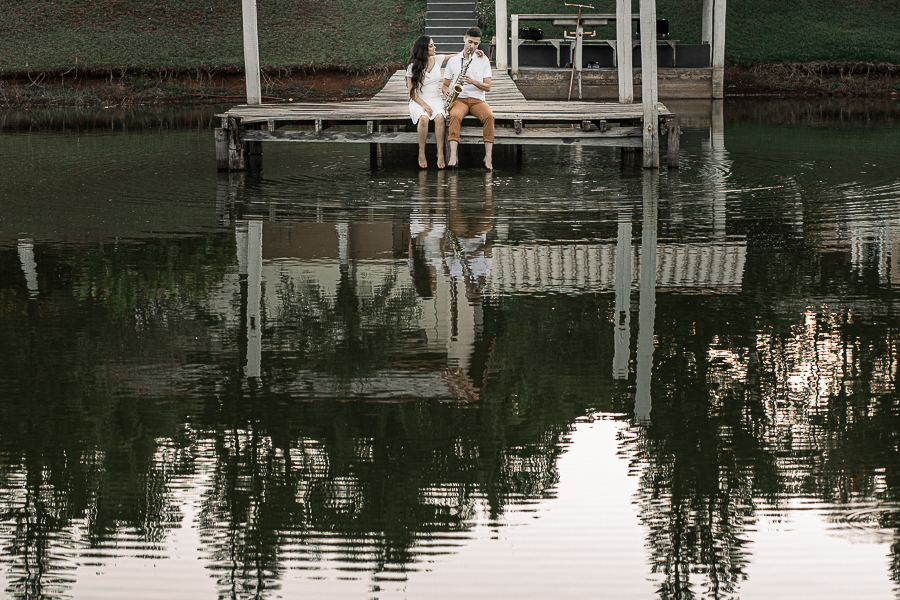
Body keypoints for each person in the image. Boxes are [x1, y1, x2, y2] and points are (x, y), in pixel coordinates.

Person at [407, 36, 484, 169]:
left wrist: (473, 52)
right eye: (431, 46)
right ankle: (421, 152)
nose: (434, 47)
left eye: (433, 45)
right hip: (419, 100)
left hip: (435, 99)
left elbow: (459, 55)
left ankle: (440, 153)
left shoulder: (437, 59)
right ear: (423, 49)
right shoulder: (412, 66)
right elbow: (411, 93)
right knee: (424, 118)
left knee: (440, 117)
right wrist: (424, 105)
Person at [442, 27, 494, 170]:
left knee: (489, 116)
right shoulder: (453, 61)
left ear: (479, 44)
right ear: (464, 39)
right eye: (470, 42)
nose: (472, 46)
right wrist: (446, 92)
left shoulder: (483, 60)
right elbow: (445, 85)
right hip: (459, 99)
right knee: (455, 115)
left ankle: (488, 156)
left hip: (477, 100)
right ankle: (453, 155)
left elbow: (488, 87)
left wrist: (473, 82)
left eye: (475, 44)